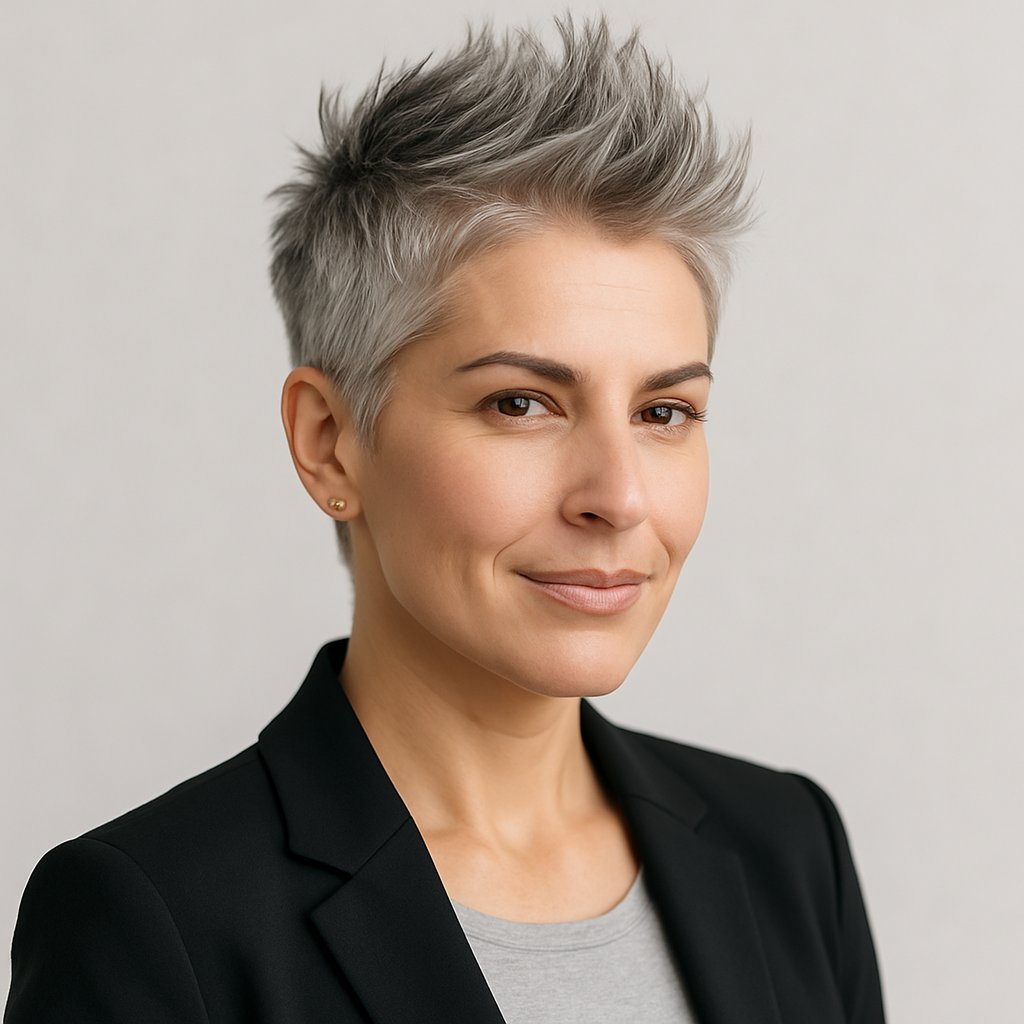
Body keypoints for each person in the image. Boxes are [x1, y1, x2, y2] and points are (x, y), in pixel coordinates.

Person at [4, 18, 885, 1024]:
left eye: (663, 412)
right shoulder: (155, 920)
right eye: (521, 402)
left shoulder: (787, 848)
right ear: (330, 442)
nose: (620, 494)